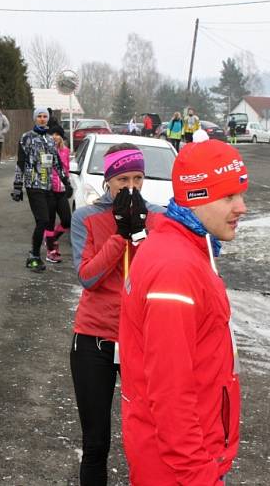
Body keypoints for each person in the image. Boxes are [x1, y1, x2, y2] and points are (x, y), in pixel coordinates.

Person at [119, 130, 246, 485]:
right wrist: (199, 476)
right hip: (178, 471)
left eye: (241, 194)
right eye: (229, 196)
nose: (241, 207)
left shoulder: (188, 250)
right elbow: (170, 394)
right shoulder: (175, 270)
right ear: (196, 197)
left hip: (191, 459)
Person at [69, 143, 166, 486]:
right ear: (108, 180)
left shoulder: (157, 217)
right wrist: (119, 235)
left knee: (147, 439)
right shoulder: (86, 217)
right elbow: (88, 277)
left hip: (141, 339)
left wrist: (140, 232)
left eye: (138, 178)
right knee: (96, 442)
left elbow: (160, 270)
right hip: (95, 338)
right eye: (122, 178)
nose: (131, 186)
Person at [11, 108, 71, 272]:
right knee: (43, 220)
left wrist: (66, 182)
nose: (43, 119)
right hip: (33, 184)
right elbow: (21, 162)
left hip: (48, 186)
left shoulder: (50, 140)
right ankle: (34, 255)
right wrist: (17, 186)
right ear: (35, 118)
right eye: (39, 116)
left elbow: (56, 163)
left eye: (45, 116)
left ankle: (37, 253)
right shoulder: (27, 138)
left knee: (48, 221)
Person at [45, 131, 72, 263]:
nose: (55, 137)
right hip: (48, 190)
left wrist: (68, 185)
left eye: (57, 134)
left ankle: (52, 239)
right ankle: (51, 251)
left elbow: (66, 170)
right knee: (49, 221)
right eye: (52, 135)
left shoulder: (66, 151)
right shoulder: (46, 150)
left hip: (61, 191)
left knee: (67, 220)